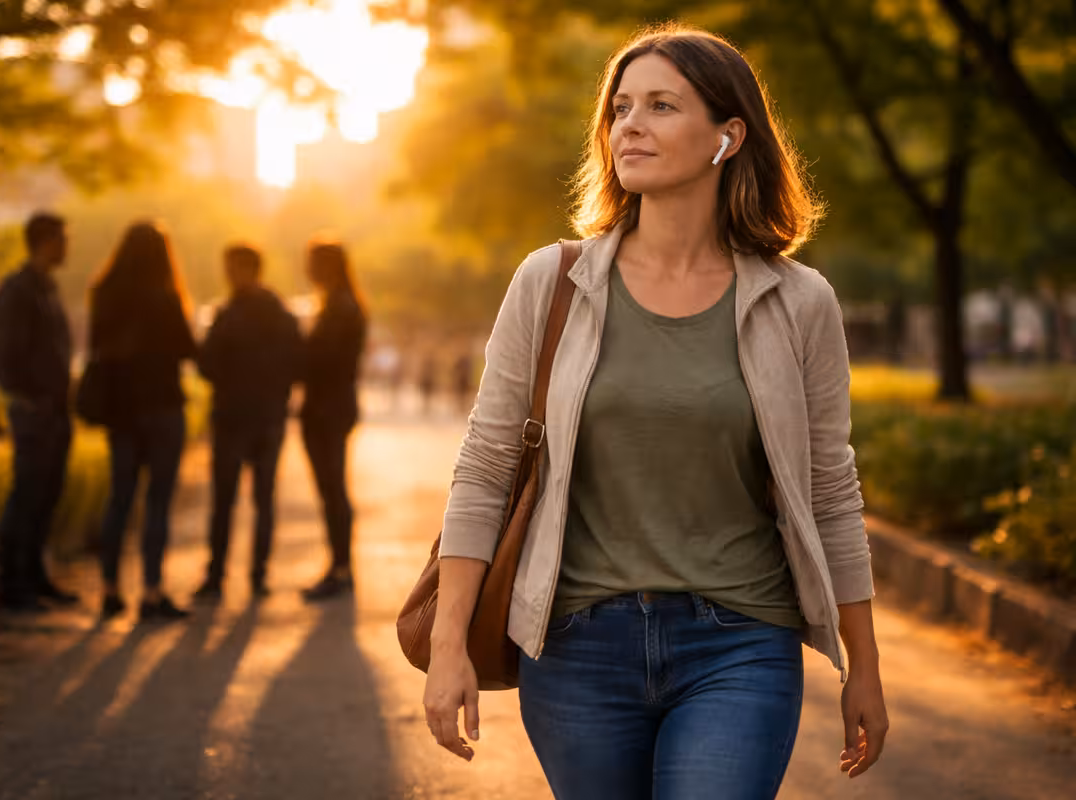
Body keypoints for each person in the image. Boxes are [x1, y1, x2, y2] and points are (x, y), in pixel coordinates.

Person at [422, 25, 889, 799]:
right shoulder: (553, 283)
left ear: (727, 136)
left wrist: (863, 666)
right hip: (576, 647)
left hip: (740, 643)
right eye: (621, 107)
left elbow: (832, 491)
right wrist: (449, 646)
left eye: (662, 105)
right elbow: (485, 468)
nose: (628, 125)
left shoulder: (798, 301)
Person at [89, 221, 197, 621]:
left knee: (119, 499)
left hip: (121, 413)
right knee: (157, 502)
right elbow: (189, 349)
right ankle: (152, 592)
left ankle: (109, 590)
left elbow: (96, 348)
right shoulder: (166, 298)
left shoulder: (104, 294)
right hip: (163, 409)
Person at [194, 245, 303, 600]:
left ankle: (216, 576)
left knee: (225, 500)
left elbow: (205, 365)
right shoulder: (281, 314)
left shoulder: (226, 314)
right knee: (262, 499)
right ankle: (257, 577)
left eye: (230, 268)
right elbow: (299, 364)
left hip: (232, 417)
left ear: (243, 269)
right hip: (268, 417)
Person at [0, 212, 80, 612]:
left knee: (47, 494)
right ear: (45, 241)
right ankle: (14, 583)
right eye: (63, 239)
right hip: (34, 410)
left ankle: (36, 576)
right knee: (27, 493)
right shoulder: (17, 291)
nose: (67, 247)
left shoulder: (47, 288)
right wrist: (27, 397)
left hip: (56, 409)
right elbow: (4, 354)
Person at [300, 237, 367, 601]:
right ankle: (339, 566)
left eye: (312, 262)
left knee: (333, 491)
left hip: (328, 409)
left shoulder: (340, 308)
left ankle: (341, 569)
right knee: (332, 490)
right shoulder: (340, 305)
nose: (306, 269)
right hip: (332, 407)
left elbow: (323, 360)